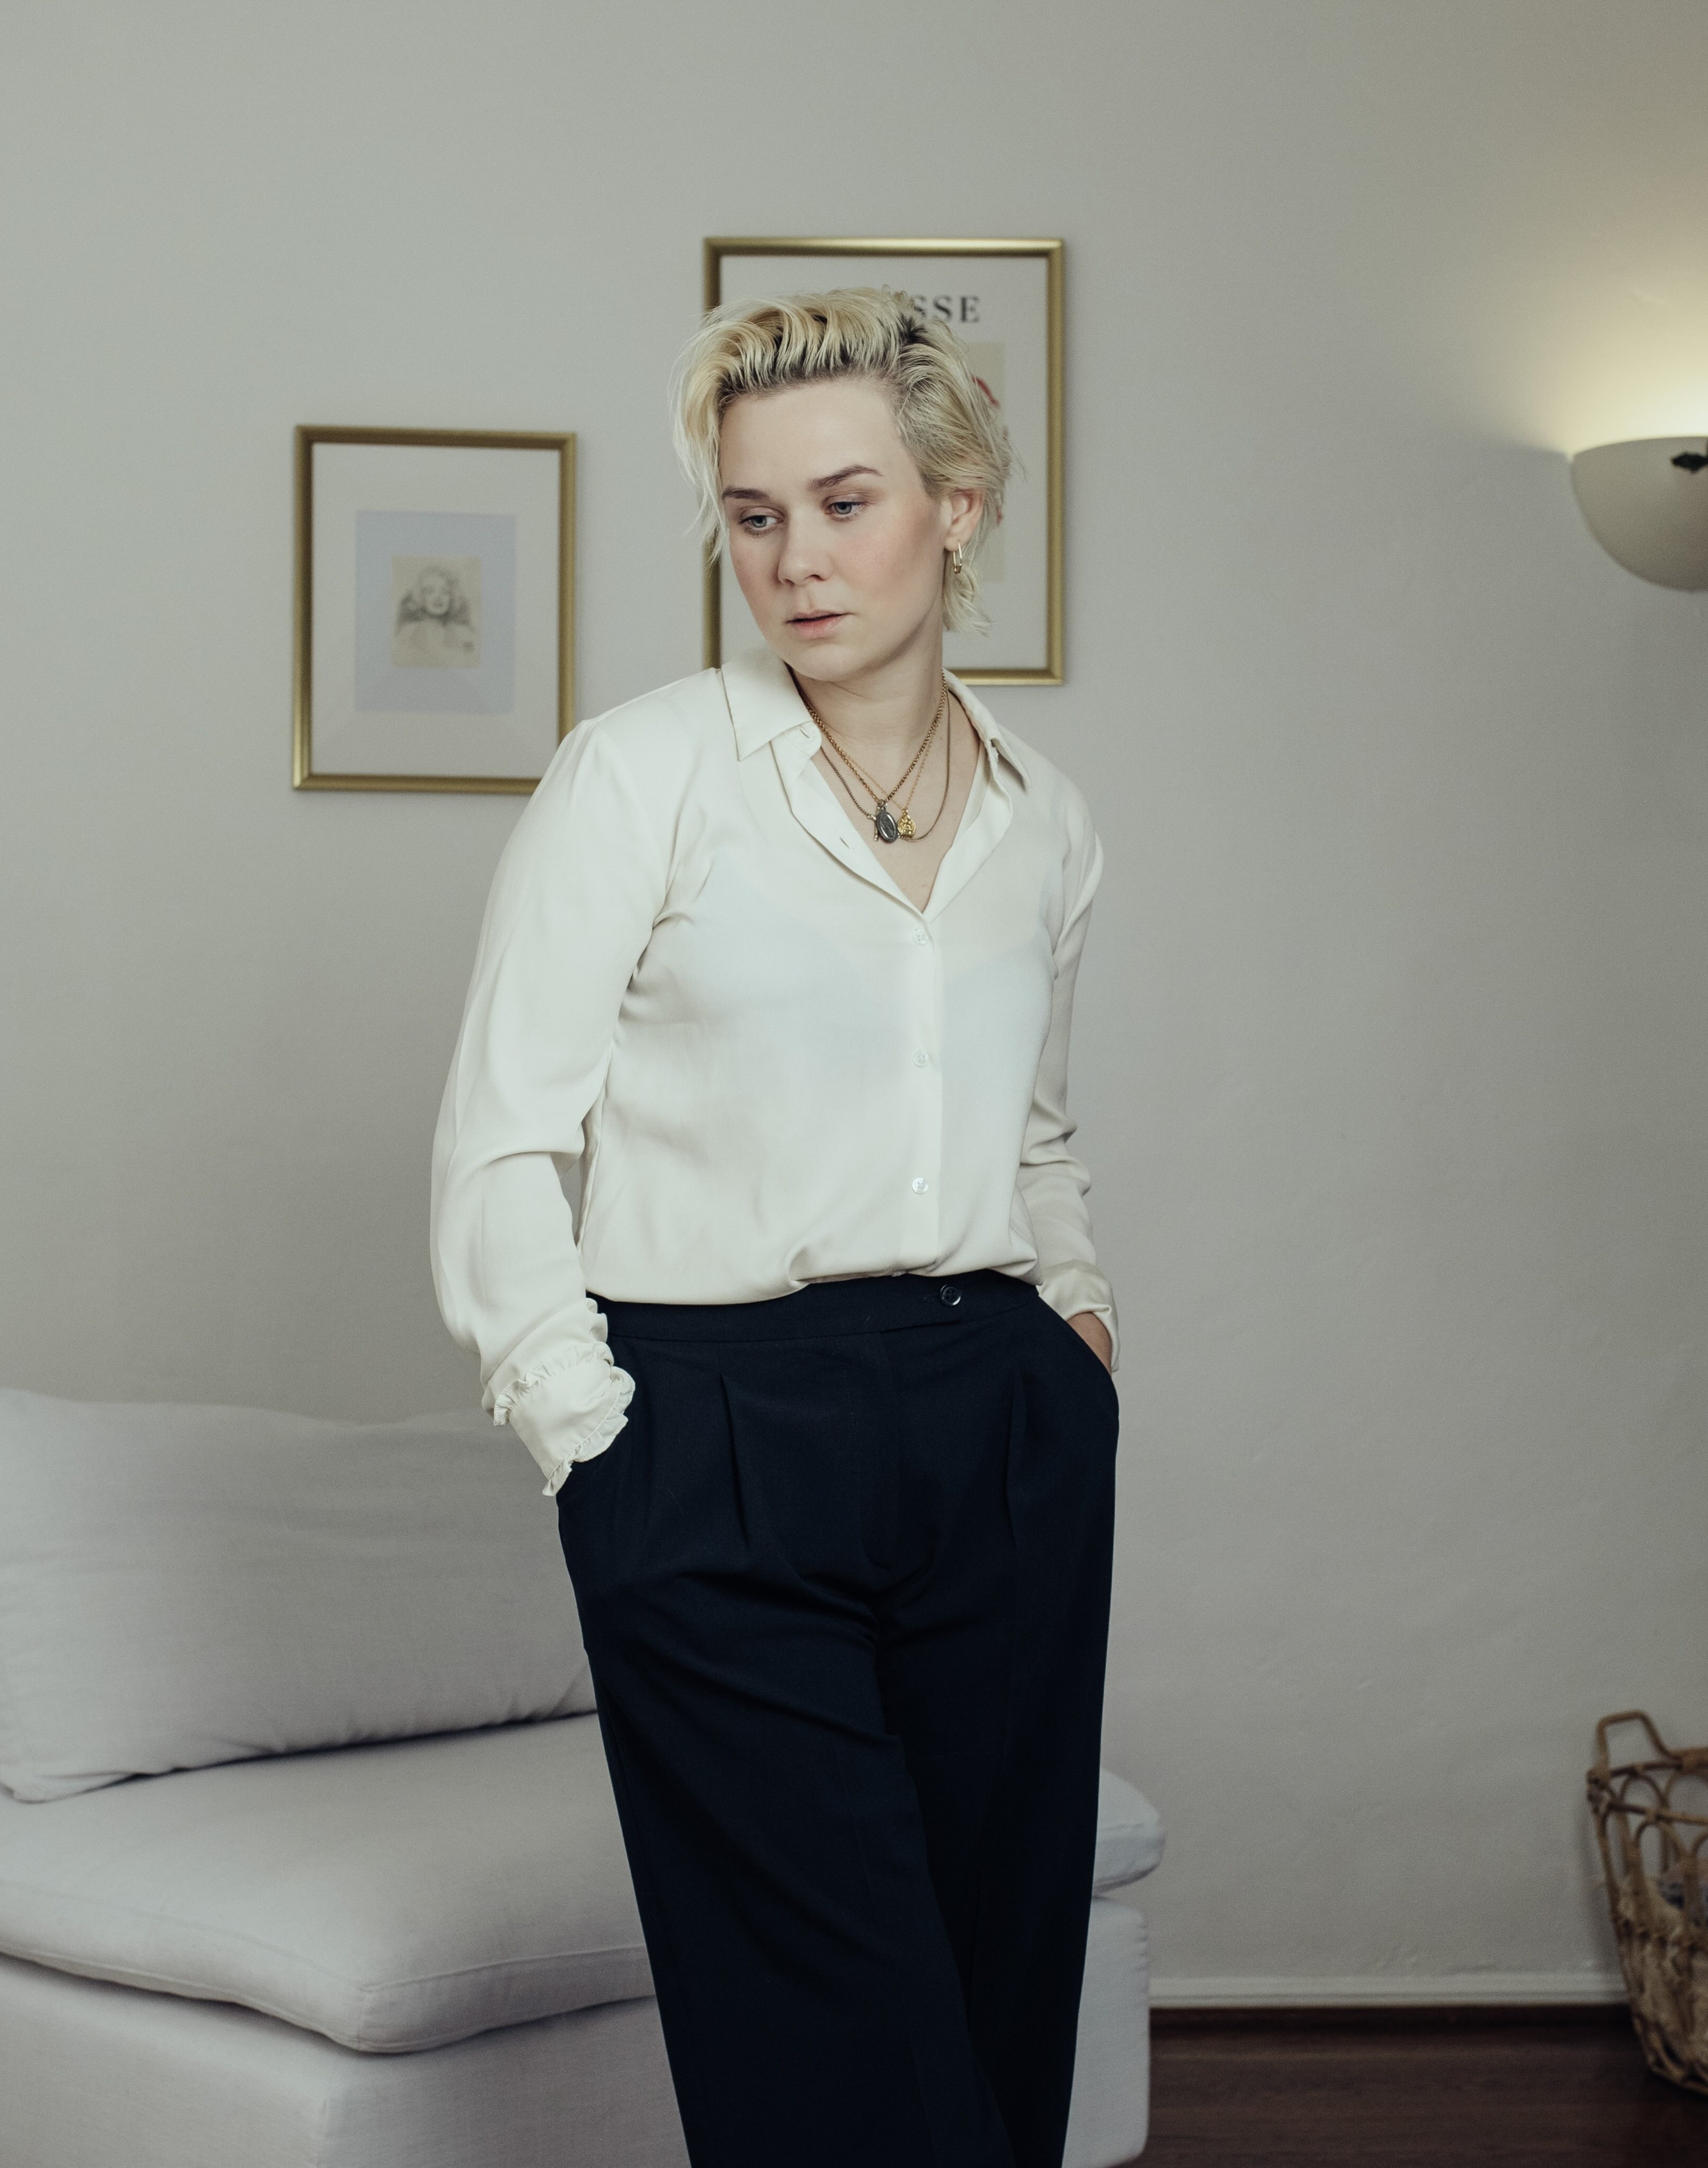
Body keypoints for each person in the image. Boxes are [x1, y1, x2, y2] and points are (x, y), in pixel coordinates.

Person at [430, 287, 1119, 2168]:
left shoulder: (1046, 820)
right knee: (819, 2007)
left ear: (957, 506)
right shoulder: (640, 776)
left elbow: (1030, 1125)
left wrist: (1075, 1322)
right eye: (754, 518)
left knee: (995, 1969)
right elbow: (501, 1137)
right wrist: (592, 1435)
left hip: (998, 1415)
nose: (795, 562)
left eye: (845, 503)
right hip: (711, 1423)